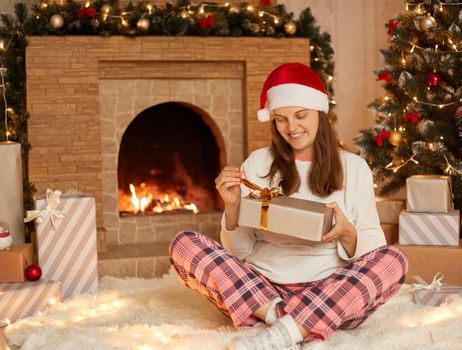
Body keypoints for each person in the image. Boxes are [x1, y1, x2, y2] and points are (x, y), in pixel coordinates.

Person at [169, 62, 408, 350]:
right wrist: (232, 209)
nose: (291, 128)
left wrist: (347, 234)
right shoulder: (258, 163)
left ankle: (282, 330)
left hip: (329, 290)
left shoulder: (353, 167)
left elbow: (374, 250)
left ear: (320, 112)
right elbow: (240, 252)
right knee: (184, 244)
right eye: (281, 119)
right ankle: (293, 323)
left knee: (394, 261)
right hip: (263, 289)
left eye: (300, 115)